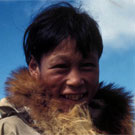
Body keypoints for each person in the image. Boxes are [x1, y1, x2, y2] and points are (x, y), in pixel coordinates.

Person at [0, 2, 133, 135]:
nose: (75, 81)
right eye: (61, 67)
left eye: (87, 66)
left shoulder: (117, 127)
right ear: (34, 68)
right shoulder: (11, 128)